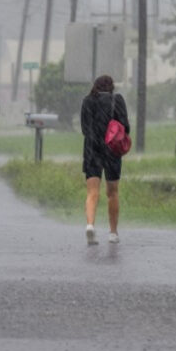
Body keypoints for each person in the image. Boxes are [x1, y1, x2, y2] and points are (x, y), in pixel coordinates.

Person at [80, 74, 130, 245]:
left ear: (95, 86)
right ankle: (113, 233)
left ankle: (90, 225)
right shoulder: (117, 100)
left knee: (92, 192)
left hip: (92, 149)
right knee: (112, 192)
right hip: (112, 151)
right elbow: (126, 127)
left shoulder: (87, 101)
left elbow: (84, 128)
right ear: (111, 87)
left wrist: (95, 137)